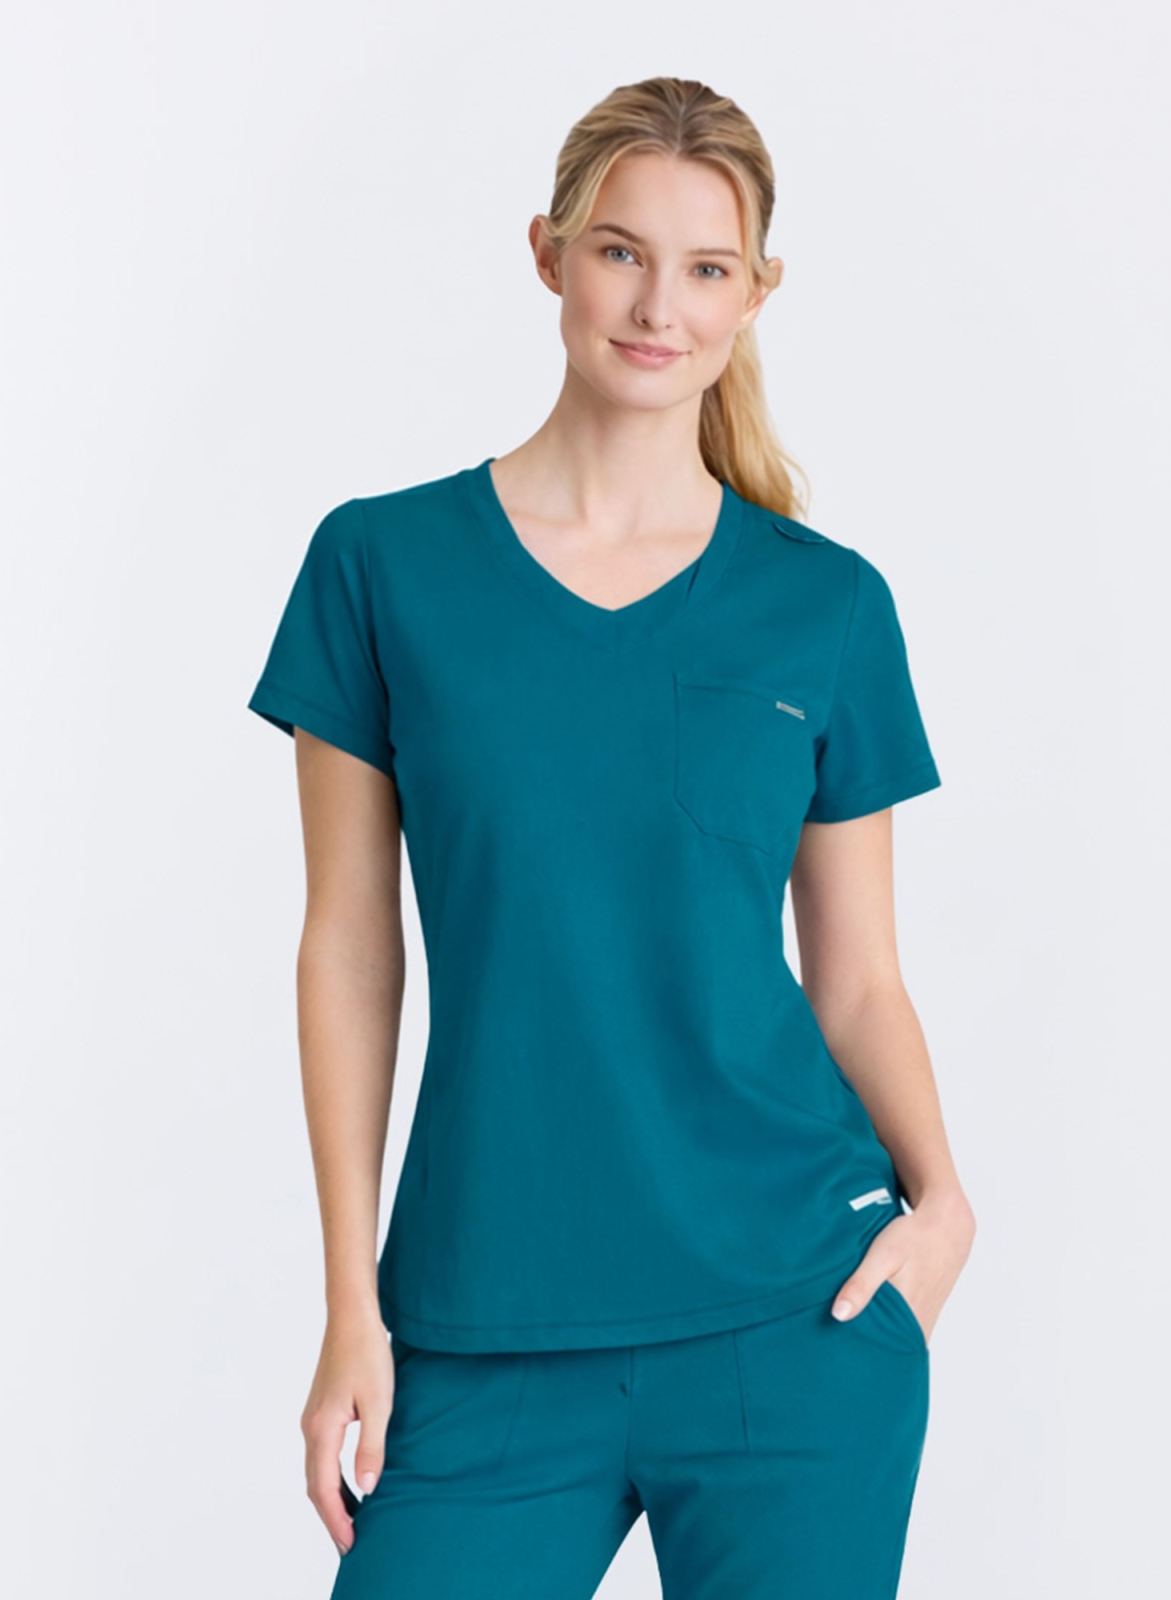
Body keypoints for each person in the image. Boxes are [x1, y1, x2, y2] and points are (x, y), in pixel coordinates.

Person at [247, 74, 976, 1600]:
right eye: (621, 253)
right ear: (549, 254)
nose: (659, 306)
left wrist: (946, 1207)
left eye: (707, 269)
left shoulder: (827, 605)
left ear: (756, 295)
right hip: (481, 1320)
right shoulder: (381, 568)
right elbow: (349, 952)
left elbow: (856, 980)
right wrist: (348, 1306)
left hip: (796, 1318)